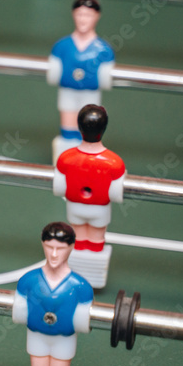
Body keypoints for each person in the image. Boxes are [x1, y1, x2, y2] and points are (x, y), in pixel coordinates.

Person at [12, 221, 93, 366]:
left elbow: (84, 317)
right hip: (37, 337)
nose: (54, 254)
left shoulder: (81, 287)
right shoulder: (28, 281)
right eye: (49, 247)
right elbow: (19, 309)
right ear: (42, 245)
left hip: (63, 340)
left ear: (71, 247)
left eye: (60, 248)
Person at [54, 104, 125, 288]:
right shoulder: (114, 162)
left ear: (79, 127)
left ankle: (77, 275)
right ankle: (93, 279)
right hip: (100, 210)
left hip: (75, 208)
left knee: (77, 240)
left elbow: (60, 188)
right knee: (95, 242)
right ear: (103, 128)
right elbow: (116, 193)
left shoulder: (66, 158)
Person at [47, 0, 115, 160]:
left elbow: (107, 79)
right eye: (80, 14)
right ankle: (66, 160)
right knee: (68, 129)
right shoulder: (62, 46)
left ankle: (86, 159)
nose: (83, 19)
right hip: (68, 92)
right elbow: (53, 73)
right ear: (73, 15)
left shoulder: (103, 50)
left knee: (90, 127)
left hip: (90, 94)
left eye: (88, 15)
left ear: (96, 17)